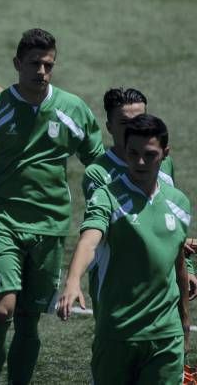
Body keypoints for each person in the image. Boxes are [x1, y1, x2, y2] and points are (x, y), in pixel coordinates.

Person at [0, 28, 104, 384]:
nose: (41, 71)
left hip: (51, 229)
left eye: (48, 64)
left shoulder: (73, 110)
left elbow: (98, 162)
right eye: (34, 63)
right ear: (17, 64)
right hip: (4, 225)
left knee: (28, 319)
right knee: (1, 310)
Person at [58, 114, 190, 385]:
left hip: (166, 335)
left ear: (165, 154)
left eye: (149, 154)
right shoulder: (107, 197)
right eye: (133, 153)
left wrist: (184, 321)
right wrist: (73, 281)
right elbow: (89, 240)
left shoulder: (179, 203)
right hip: (117, 333)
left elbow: (177, 264)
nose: (140, 161)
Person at [82, 87, 174, 198]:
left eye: (139, 119)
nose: (133, 127)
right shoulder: (97, 173)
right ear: (109, 127)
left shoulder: (162, 160)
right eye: (124, 122)